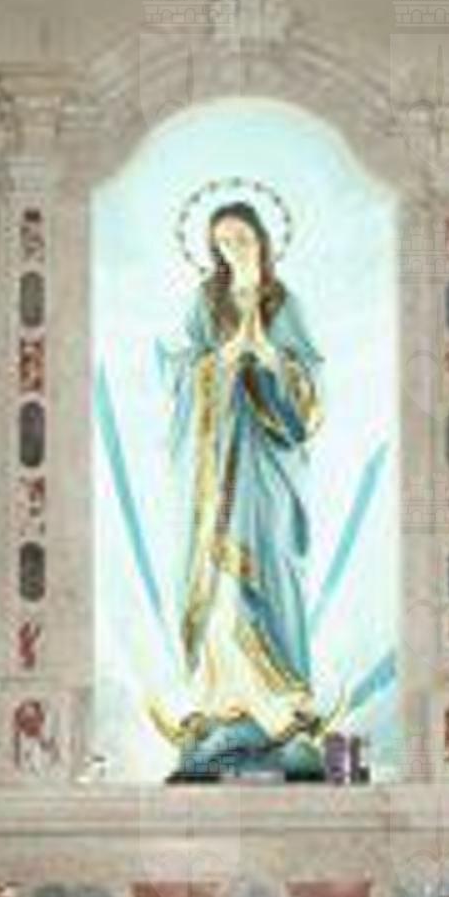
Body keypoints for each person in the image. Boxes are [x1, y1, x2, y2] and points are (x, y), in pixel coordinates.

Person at [153, 200, 327, 779]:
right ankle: (222, 702)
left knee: (270, 567)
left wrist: (270, 358)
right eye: (224, 242)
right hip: (215, 467)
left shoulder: (284, 303)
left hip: (267, 467)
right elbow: (176, 370)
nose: (234, 250)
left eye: (243, 239)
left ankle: (281, 707)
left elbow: (310, 389)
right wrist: (224, 360)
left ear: (262, 240)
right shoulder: (206, 303)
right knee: (220, 587)